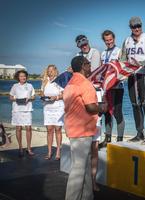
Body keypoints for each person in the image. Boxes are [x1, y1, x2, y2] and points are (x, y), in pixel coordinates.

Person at [64, 56, 102, 200]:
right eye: (88, 63)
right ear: (82, 65)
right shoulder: (85, 83)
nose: (90, 66)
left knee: (84, 166)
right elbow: (91, 107)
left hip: (73, 128)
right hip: (82, 130)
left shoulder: (70, 83)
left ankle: (87, 196)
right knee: (78, 170)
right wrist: (102, 108)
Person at [120, 16, 145, 144]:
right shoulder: (126, 41)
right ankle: (139, 133)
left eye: (139, 26)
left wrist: (140, 63)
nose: (137, 28)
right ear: (130, 27)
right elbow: (122, 58)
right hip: (131, 76)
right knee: (135, 105)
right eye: (134, 26)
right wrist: (122, 70)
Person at [75, 34, 101, 191]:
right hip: (83, 100)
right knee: (84, 149)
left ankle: (93, 180)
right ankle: (84, 182)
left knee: (95, 147)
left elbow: (94, 72)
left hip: (95, 92)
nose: (84, 47)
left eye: (85, 44)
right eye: (81, 45)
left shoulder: (96, 52)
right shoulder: (77, 56)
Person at [98, 30, 125, 148]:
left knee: (117, 112)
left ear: (114, 39)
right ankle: (107, 139)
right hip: (106, 88)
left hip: (118, 87)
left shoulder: (119, 51)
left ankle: (120, 140)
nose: (109, 42)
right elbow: (101, 70)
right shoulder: (103, 53)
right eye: (106, 40)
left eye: (110, 39)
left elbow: (122, 68)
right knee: (107, 113)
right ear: (104, 41)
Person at [9, 70, 35, 157]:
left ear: (26, 77)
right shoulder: (14, 86)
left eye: (24, 76)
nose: (23, 77)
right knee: (18, 128)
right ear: (18, 77)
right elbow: (11, 97)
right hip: (17, 109)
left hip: (27, 109)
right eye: (21, 76)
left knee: (28, 128)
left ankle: (28, 148)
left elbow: (34, 97)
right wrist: (16, 99)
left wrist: (29, 98)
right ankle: (20, 148)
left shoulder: (30, 86)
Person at [40, 65, 64, 160]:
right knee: (49, 130)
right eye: (48, 70)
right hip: (47, 108)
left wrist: (56, 97)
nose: (50, 72)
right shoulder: (45, 81)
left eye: (52, 70)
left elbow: (64, 94)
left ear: (55, 71)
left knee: (58, 129)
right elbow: (41, 92)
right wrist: (42, 96)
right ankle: (49, 152)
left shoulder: (60, 80)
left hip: (58, 107)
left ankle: (58, 151)